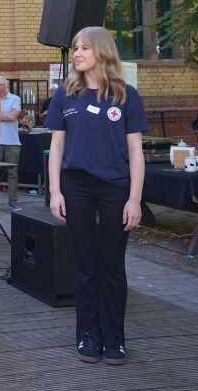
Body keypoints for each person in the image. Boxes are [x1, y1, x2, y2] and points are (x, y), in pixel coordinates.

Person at [45, 26, 147, 366]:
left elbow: (136, 152)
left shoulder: (126, 96)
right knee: (85, 265)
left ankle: (114, 338)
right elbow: (56, 146)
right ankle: (88, 335)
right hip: (76, 186)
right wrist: (55, 191)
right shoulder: (65, 96)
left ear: (102, 52)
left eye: (84, 48)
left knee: (112, 264)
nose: (76, 53)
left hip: (115, 186)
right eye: (75, 47)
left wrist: (134, 199)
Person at [0, 75, 22, 211]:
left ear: (4, 86)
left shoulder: (15, 99)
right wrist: (5, 115)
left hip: (12, 142)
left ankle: (13, 201)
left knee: (13, 173)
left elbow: (13, 116)